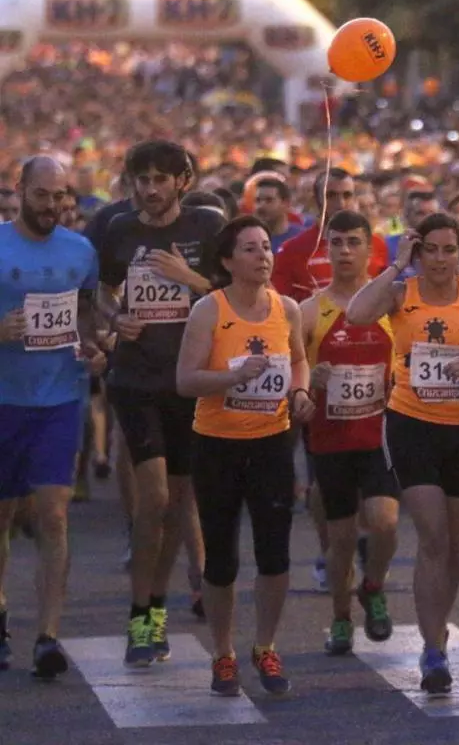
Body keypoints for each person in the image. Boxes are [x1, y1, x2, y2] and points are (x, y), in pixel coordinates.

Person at [345, 212, 459, 694]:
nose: (440, 259)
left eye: (449, 250)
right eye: (431, 250)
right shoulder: (401, 292)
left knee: (455, 543)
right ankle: (432, 649)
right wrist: (395, 265)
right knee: (434, 537)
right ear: (418, 252)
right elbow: (357, 314)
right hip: (413, 425)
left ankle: (438, 628)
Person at [95, 140, 223, 668]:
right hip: (136, 380)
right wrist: (115, 317)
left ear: (182, 182)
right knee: (154, 498)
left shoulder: (207, 227)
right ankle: (139, 614)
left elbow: (232, 294)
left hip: (188, 383)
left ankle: (157, 609)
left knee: (176, 503)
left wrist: (190, 280)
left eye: (159, 180)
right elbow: (102, 291)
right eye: (141, 180)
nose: (149, 190)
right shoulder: (119, 229)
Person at [175, 215, 315, 697]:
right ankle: (223, 653)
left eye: (267, 247)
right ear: (228, 261)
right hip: (217, 445)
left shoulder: (287, 308)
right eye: (251, 249)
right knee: (221, 558)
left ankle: (265, 646)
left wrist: (300, 392)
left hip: (272, 442)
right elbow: (185, 380)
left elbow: (299, 360)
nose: (263, 257)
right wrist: (231, 378)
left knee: (275, 554)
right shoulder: (209, 311)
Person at [0, 156, 103, 678]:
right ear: (20, 190)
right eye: (40, 195)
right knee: (3, 516)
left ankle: (48, 636)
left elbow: (88, 314)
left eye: (59, 196)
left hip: (60, 399)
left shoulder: (80, 250)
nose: (50, 206)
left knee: (54, 515)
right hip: (3, 400)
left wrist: (96, 346)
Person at [299, 210, 399, 655]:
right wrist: (309, 381)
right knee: (339, 540)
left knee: (384, 522)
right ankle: (341, 618)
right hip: (330, 439)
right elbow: (292, 373)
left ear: (369, 248)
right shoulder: (310, 310)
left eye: (353, 242)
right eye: (336, 242)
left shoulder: (390, 303)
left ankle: (373, 585)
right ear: (327, 250)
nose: (344, 251)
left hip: (380, 436)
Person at [271, 168, 389, 302]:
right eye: (331, 196)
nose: (341, 204)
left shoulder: (377, 244)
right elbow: (281, 305)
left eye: (347, 195)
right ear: (315, 200)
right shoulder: (291, 250)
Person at [254, 177, 303, 252]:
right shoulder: (249, 240)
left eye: (269, 200)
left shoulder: (301, 238)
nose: (261, 206)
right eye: (257, 200)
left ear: (286, 203)